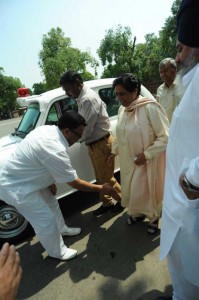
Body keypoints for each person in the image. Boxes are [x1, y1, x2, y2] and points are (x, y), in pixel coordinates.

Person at [0, 111, 120, 261]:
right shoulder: (55, 148)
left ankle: (62, 229)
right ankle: (57, 251)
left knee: (52, 202)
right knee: (45, 219)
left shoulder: (48, 129)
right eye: (78, 135)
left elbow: (41, 161)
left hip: (27, 177)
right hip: (16, 187)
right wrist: (102, 188)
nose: (79, 140)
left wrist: (50, 181)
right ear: (67, 131)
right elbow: (76, 183)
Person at [159, 0, 199, 299]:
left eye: (182, 48)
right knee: (182, 272)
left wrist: (194, 178)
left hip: (189, 203)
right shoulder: (192, 80)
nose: (178, 54)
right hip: (178, 203)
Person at [108, 73, 169, 234]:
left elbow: (165, 137)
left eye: (123, 94)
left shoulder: (150, 107)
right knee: (134, 191)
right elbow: (120, 135)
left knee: (149, 191)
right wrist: (113, 152)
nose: (120, 98)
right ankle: (138, 214)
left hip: (149, 161)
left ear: (135, 90)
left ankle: (154, 219)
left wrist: (147, 154)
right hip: (129, 162)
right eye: (117, 94)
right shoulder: (123, 110)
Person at [59, 70, 122, 216]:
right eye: (65, 91)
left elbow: (85, 128)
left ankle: (123, 200)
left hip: (100, 144)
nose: (68, 93)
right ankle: (107, 202)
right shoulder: (82, 98)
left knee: (107, 179)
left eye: (68, 89)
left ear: (77, 83)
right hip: (95, 144)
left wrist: (72, 140)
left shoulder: (87, 99)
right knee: (100, 179)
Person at [156, 57, 184, 123]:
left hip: (182, 128)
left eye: (165, 71)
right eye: (161, 72)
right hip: (166, 129)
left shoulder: (184, 84)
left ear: (175, 69)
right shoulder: (159, 89)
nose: (163, 75)